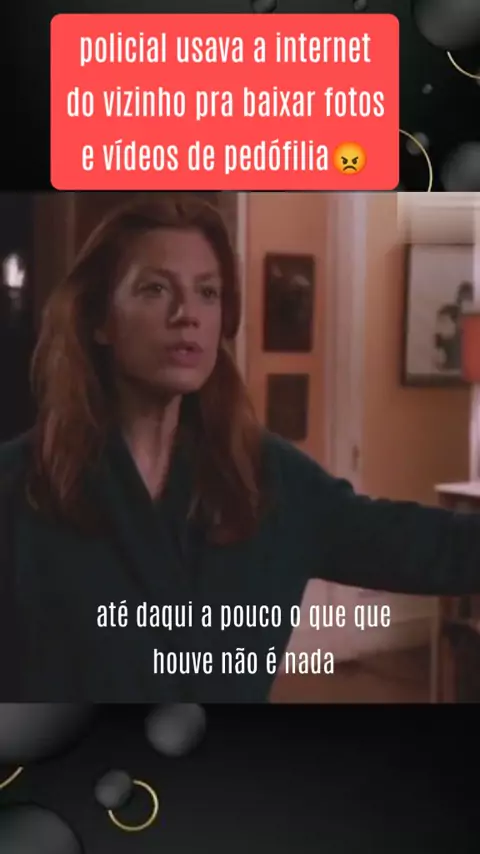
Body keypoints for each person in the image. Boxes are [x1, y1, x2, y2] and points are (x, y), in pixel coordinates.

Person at [1, 194, 480, 704]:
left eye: (207, 292)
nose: (186, 314)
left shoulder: (266, 478)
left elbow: (433, 548)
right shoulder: (17, 486)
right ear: (100, 318)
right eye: (155, 288)